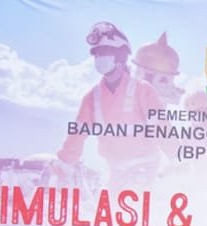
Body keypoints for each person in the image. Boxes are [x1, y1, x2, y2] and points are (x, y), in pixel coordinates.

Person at [55, 21, 165, 187]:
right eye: (97, 54)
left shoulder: (143, 90)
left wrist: (176, 158)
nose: (100, 58)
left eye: (105, 52)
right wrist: (63, 164)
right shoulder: (92, 98)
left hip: (147, 171)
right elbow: (76, 135)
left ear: (121, 57)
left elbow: (163, 129)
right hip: (116, 173)